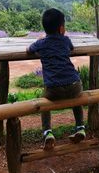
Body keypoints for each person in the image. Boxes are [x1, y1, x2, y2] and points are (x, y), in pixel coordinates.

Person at [26, 8, 86, 150]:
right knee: (77, 98)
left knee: (43, 102)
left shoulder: (41, 43)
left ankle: (48, 133)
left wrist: (40, 40)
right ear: (61, 28)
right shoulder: (65, 40)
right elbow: (71, 48)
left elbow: (28, 50)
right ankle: (80, 127)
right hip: (74, 85)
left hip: (54, 90)